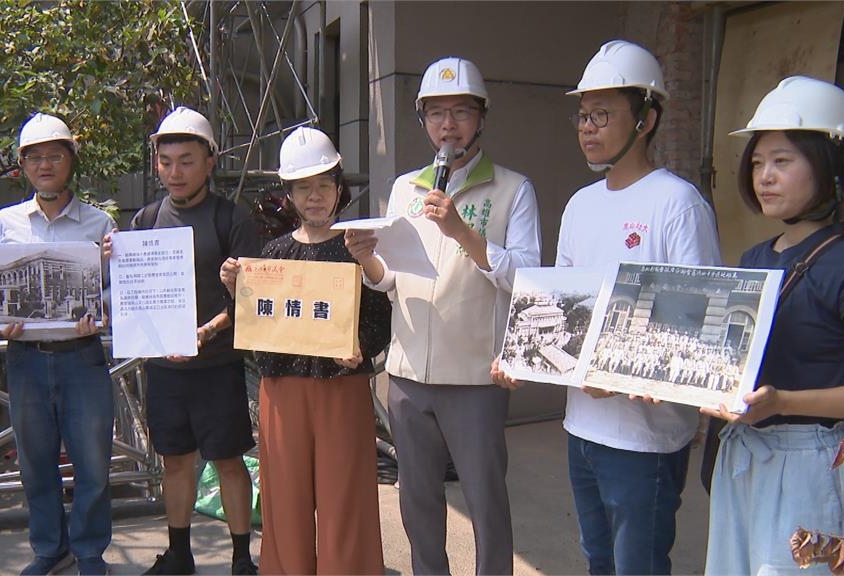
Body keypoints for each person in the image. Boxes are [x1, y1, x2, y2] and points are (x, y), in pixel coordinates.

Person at [495, 40, 721, 574]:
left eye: (602, 114)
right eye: (582, 115)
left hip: (646, 439)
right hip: (583, 428)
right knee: (598, 559)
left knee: (638, 565)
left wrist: (619, 378)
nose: (587, 127)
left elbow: (698, 328)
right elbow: (565, 310)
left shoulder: (678, 203)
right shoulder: (580, 205)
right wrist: (527, 356)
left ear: (646, 117)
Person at [345, 56, 542, 575]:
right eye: (436, 114)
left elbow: (527, 277)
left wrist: (461, 232)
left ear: (481, 117)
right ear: (423, 121)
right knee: (418, 503)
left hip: (475, 374)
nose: (447, 125)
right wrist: (367, 258)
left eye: (460, 112)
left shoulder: (512, 189)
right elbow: (392, 280)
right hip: (408, 375)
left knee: (485, 504)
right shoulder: (406, 189)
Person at [702, 76, 844, 575]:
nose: (764, 177)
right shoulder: (754, 259)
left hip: (814, 463)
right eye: (756, 163)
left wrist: (784, 404)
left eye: (782, 161)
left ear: (828, 167)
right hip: (744, 456)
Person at [219, 127, 391, 574]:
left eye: (323, 185)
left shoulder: (359, 246)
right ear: (289, 194)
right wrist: (237, 291)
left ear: (339, 189)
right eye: (302, 187)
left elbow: (380, 318)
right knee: (285, 501)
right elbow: (259, 329)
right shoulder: (273, 253)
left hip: (342, 390)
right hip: (282, 392)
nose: (314, 197)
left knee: (344, 501)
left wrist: (361, 347)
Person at [106, 106, 261, 576]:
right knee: (174, 464)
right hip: (166, 369)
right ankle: (179, 554)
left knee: (230, 462)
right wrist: (111, 260)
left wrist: (209, 330)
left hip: (216, 366)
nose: (175, 172)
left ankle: (240, 558)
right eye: (166, 161)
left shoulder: (232, 219)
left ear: (210, 161)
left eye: (187, 160)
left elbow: (252, 301)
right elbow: (130, 295)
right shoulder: (146, 220)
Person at [0, 113, 116, 576]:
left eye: (54, 155)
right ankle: (48, 547)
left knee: (94, 464)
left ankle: (89, 551)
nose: (45, 165)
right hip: (26, 359)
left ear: (70, 162)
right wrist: (0, 324)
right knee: (36, 462)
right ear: (23, 166)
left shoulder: (100, 223)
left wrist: (101, 313)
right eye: (34, 157)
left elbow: (113, 291)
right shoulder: (6, 223)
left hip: (82, 357)